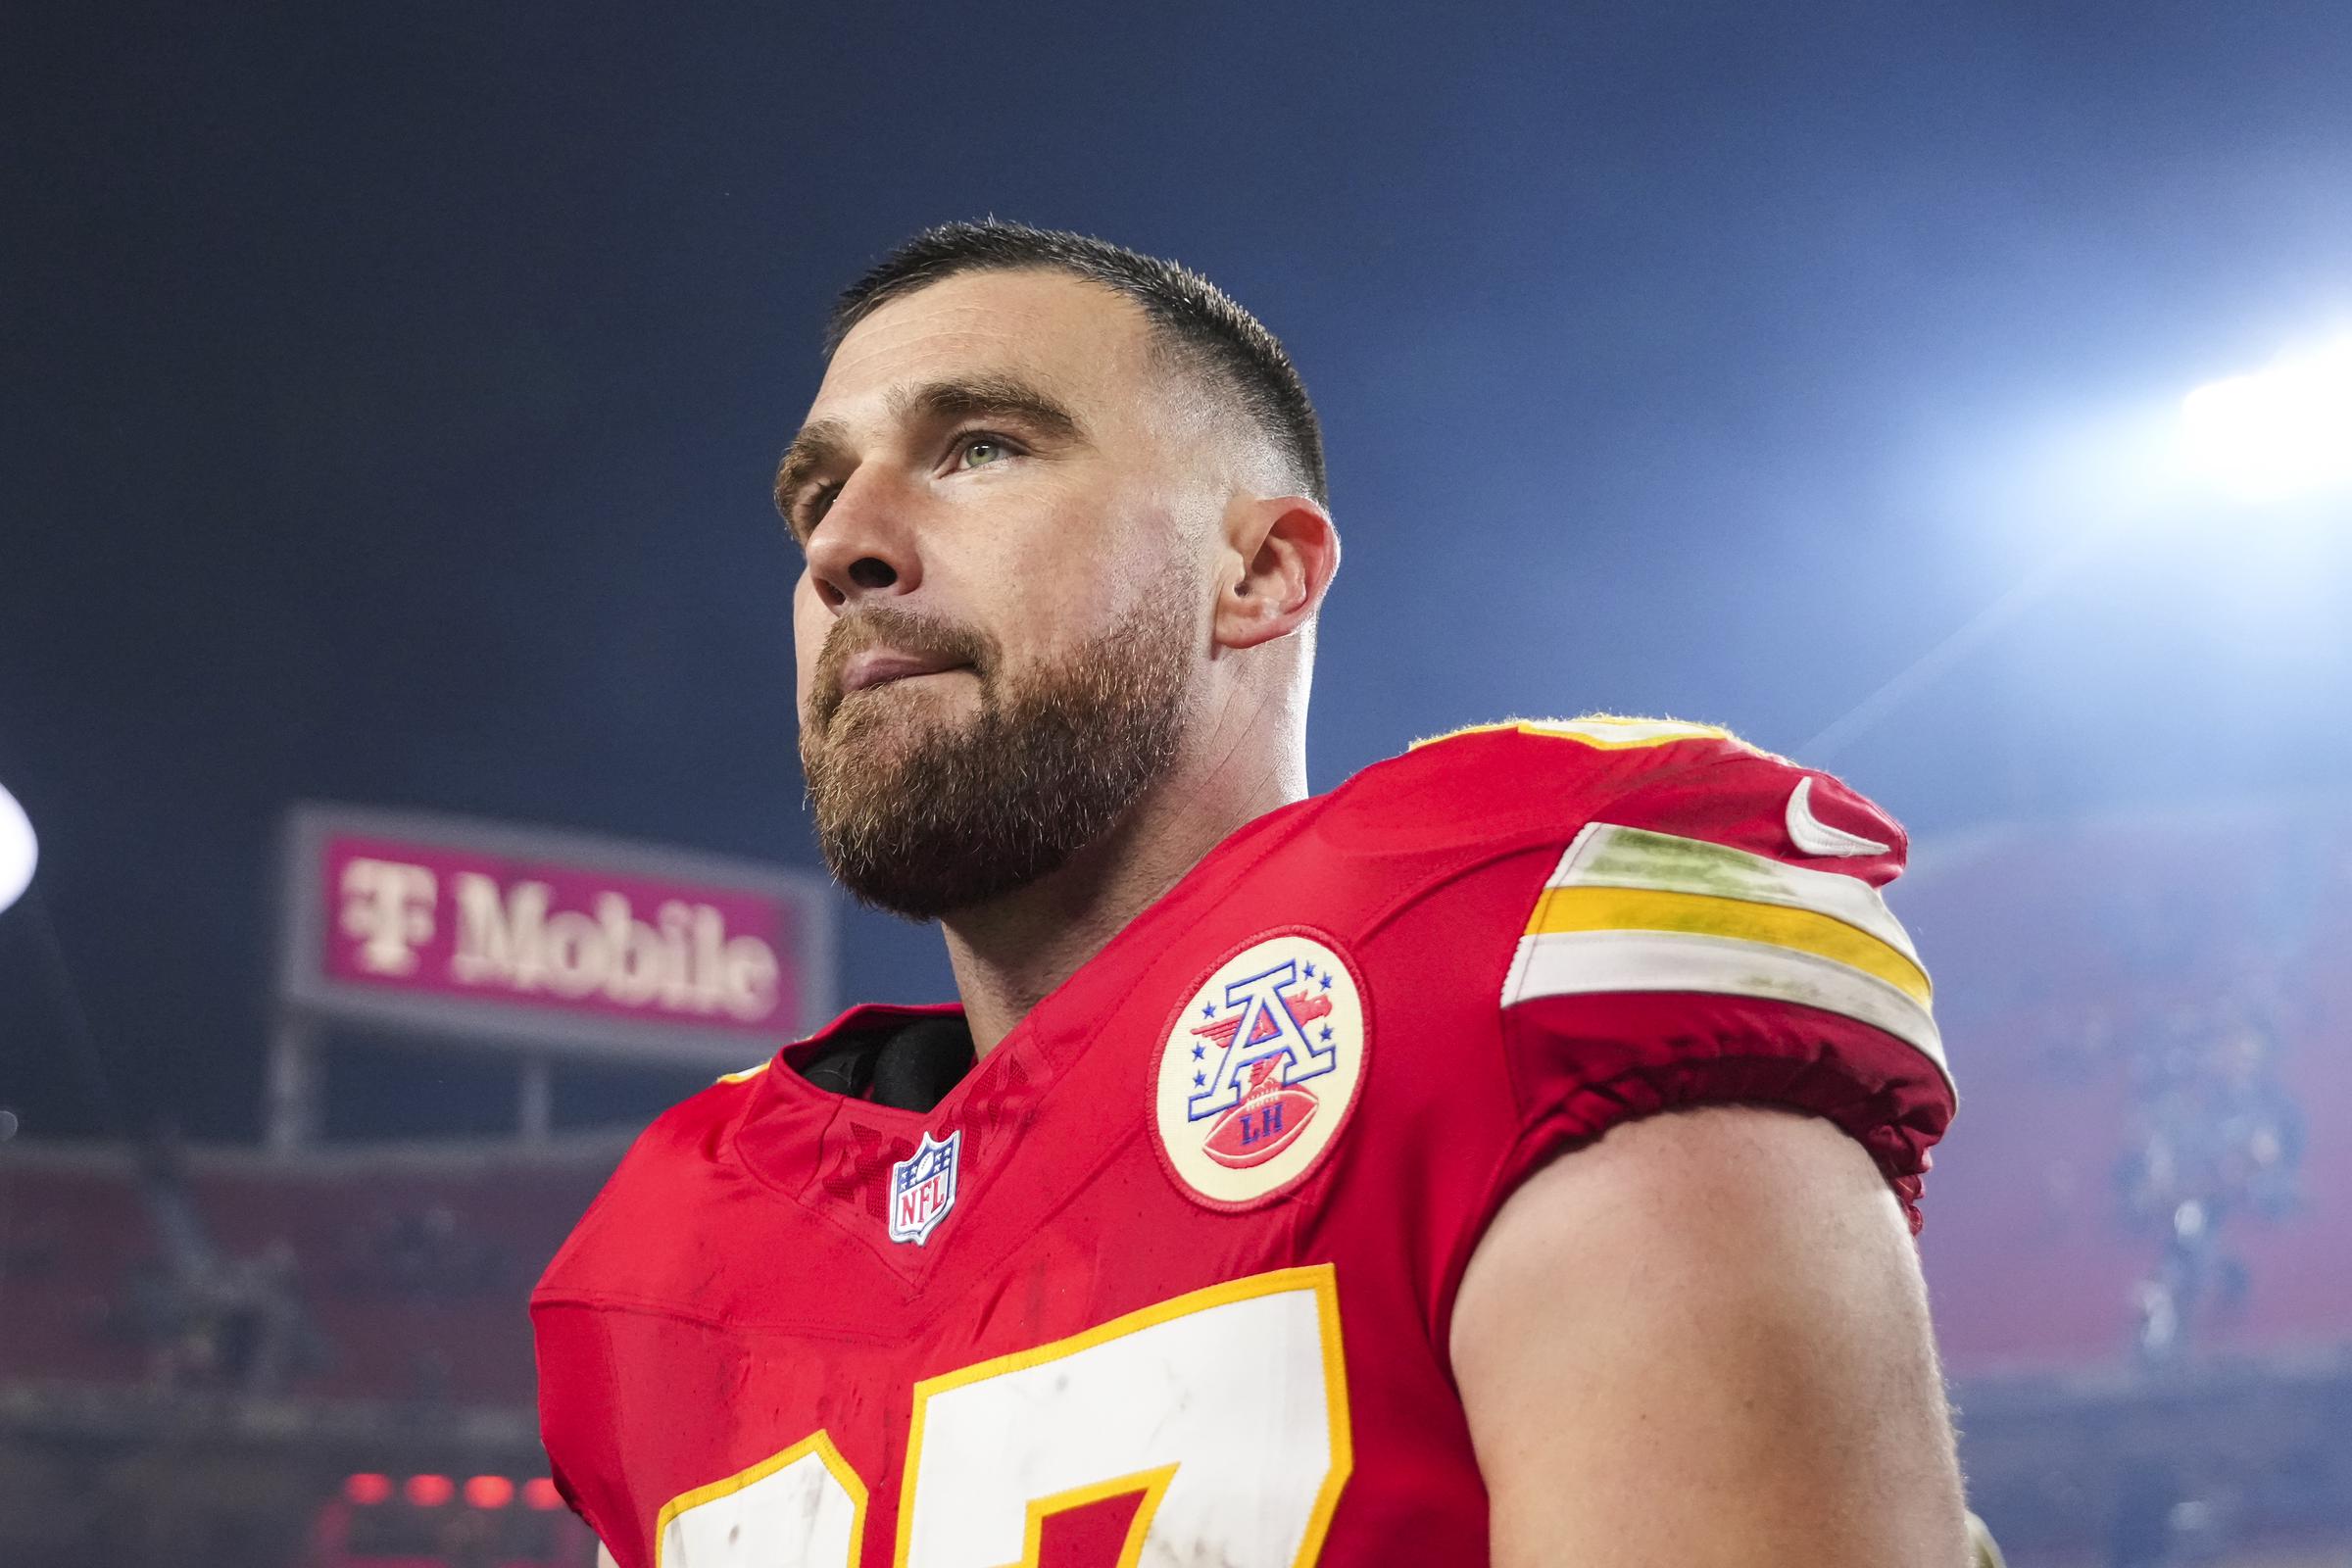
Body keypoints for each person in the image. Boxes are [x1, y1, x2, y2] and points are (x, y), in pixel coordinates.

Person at [532, 220, 1968, 1567]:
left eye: (980, 447)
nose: (845, 545)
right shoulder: (679, 1242)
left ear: (1260, 572)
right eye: (814, 494)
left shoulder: (1500, 951)